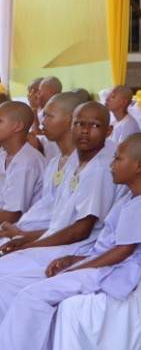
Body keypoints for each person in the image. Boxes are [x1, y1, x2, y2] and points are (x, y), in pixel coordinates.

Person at [0, 133, 141, 350]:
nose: (111, 164)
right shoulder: (132, 197)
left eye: (118, 159)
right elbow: (110, 246)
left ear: (139, 166)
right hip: (100, 265)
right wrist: (72, 259)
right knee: (18, 288)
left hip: (112, 273)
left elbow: (122, 252)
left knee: (31, 297)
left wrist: (79, 267)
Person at [0, 103, 118, 320]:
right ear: (71, 126)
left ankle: (12, 340)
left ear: (108, 131)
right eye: (79, 124)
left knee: (4, 280)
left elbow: (79, 231)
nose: (85, 131)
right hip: (53, 241)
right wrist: (26, 238)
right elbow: (60, 221)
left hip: (74, 249)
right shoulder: (73, 162)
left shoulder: (99, 168)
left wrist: (29, 244)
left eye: (94, 125)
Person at [2, 93, 86, 240]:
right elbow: (44, 207)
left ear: (71, 119)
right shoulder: (54, 163)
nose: (42, 122)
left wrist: (25, 235)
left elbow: (75, 227)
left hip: (52, 238)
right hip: (30, 229)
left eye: (48, 116)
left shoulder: (86, 165)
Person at [0, 104, 45, 228]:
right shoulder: (4, 154)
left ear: (17, 126)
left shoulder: (27, 161)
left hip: (23, 228)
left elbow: (12, 215)